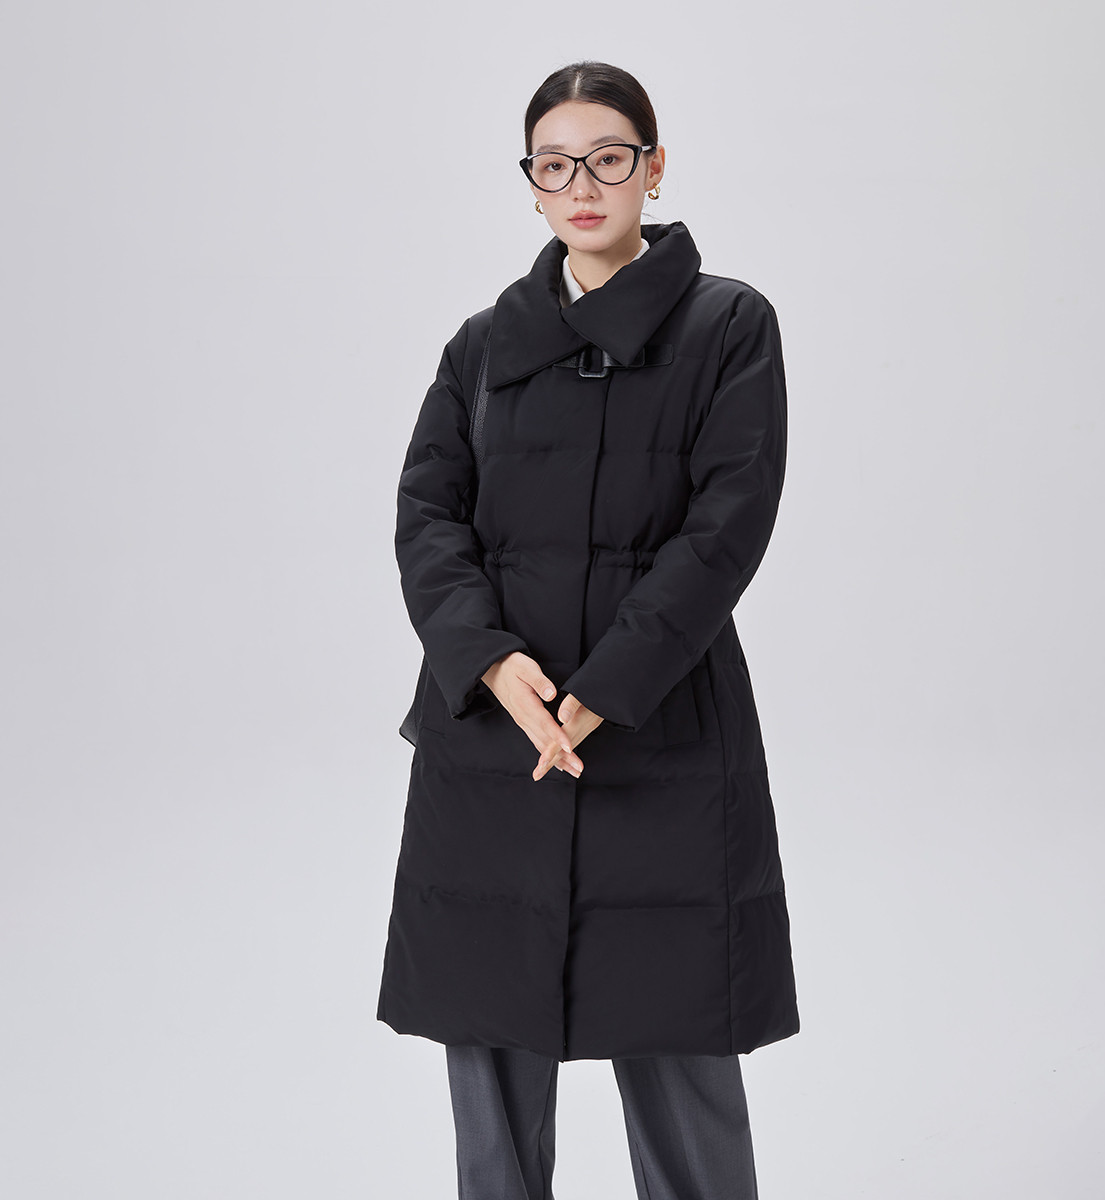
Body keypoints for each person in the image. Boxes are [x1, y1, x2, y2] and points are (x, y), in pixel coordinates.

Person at [377, 60, 800, 1200]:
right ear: (530, 183)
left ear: (653, 170)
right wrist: (490, 662)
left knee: (679, 1034)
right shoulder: (482, 345)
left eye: (608, 159)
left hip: (657, 729)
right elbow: (428, 516)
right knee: (492, 1038)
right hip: (496, 732)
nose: (582, 185)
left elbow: (728, 522)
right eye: (555, 165)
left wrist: (608, 686)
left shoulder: (728, 326)